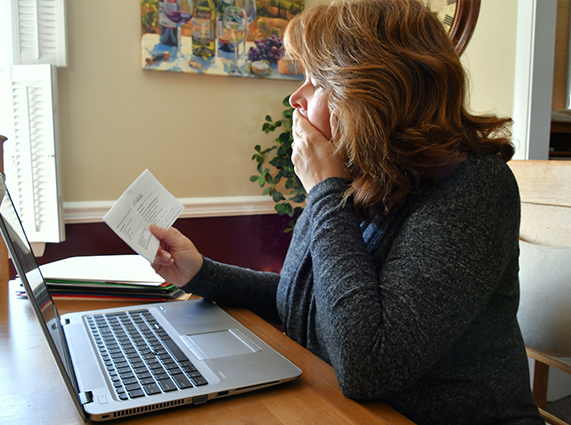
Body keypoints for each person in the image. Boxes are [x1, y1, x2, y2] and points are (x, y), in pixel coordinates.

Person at [150, 0, 543, 423]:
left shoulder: (475, 187)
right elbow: (305, 304)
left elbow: (368, 365)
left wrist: (323, 189)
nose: (294, 97)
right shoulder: (364, 174)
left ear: (371, 93)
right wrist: (201, 273)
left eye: (315, 81)